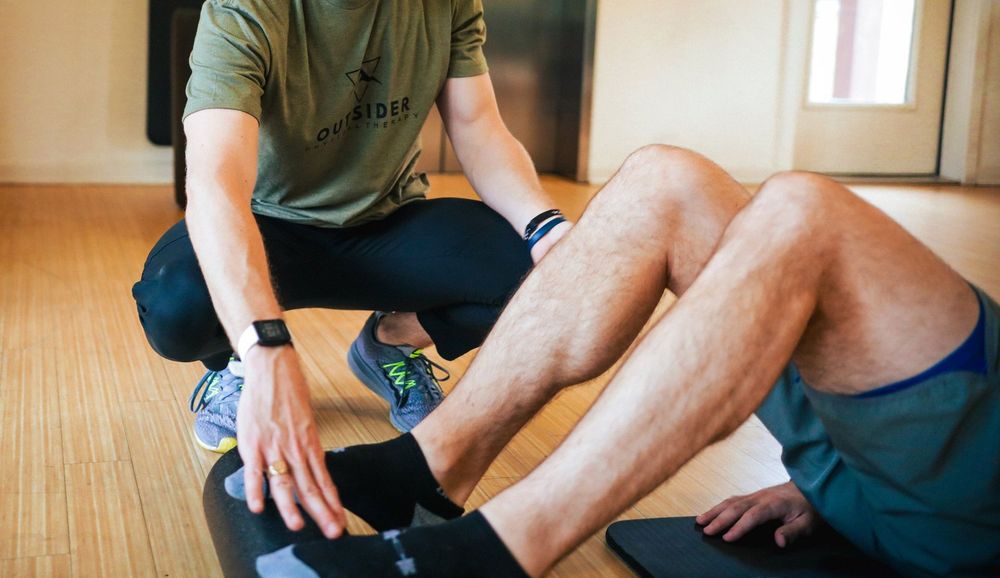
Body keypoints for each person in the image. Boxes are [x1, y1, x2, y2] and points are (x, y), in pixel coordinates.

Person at [235, 146, 996, 578]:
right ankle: (427, 472)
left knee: (804, 212)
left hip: (974, 504)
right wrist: (822, 485)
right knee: (666, 179)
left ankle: (493, 558)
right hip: (861, 475)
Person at [131, 0, 570, 480]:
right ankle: (238, 368)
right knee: (174, 305)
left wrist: (551, 231)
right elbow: (216, 185)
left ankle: (392, 343)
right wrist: (265, 346)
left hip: (386, 223)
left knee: (543, 273)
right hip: (274, 226)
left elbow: (479, 126)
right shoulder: (246, 4)